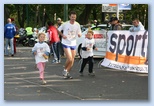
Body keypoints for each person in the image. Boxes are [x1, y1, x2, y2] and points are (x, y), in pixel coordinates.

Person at [58, 11, 82, 79]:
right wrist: (62, 35)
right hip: (66, 42)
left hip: (73, 42)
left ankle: (67, 72)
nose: (73, 18)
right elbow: (58, 30)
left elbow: (79, 32)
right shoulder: (65, 24)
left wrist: (79, 34)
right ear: (69, 17)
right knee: (69, 58)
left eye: (74, 17)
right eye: (72, 17)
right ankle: (65, 70)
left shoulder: (77, 24)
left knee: (72, 59)